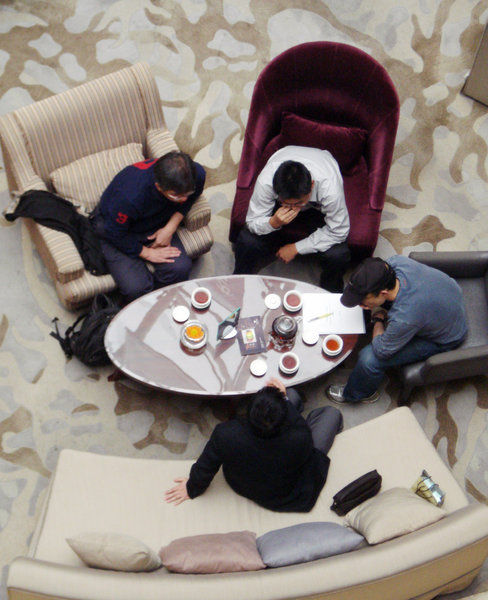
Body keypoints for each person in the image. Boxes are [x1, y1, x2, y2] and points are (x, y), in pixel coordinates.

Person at [165, 378, 343, 512]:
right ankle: (296, 405)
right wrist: (286, 401)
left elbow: (206, 465)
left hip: (244, 484)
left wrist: (192, 488)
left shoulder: (226, 433)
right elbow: (304, 438)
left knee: (293, 396)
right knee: (330, 413)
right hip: (287, 493)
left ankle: (289, 402)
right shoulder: (300, 437)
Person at [326, 255, 468, 405]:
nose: (361, 305)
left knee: (369, 359)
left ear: (383, 293)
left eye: (363, 301)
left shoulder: (405, 316)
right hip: (447, 296)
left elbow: (382, 350)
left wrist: (379, 321)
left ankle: (358, 394)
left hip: (445, 338)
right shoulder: (395, 263)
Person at [91, 151, 205, 302]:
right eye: (177, 195)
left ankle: (161, 304)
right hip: (116, 229)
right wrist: (147, 253)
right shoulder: (129, 196)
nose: (183, 199)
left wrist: (170, 228)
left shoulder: (196, 175)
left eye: (187, 193)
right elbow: (114, 232)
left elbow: (189, 200)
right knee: (137, 287)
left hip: (156, 220)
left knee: (179, 268)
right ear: (159, 187)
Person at [233, 146, 350, 292]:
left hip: (316, 209)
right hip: (279, 206)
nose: (293, 208)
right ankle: (238, 282)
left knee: (338, 255)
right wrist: (273, 222)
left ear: (312, 185)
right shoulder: (266, 181)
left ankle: (329, 293)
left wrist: (296, 248)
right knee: (247, 240)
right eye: (287, 203)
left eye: (298, 203)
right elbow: (252, 221)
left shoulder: (330, 191)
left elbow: (339, 231)